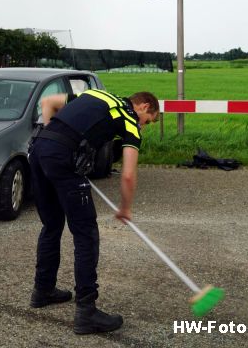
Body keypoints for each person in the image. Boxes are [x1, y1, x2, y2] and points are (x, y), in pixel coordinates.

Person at [28, 89, 159, 334]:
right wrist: (125, 208)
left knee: (52, 225)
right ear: (143, 107)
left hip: (39, 150)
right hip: (60, 159)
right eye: (148, 121)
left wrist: (52, 140)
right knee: (86, 234)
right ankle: (86, 312)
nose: (144, 127)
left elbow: (48, 102)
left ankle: (42, 290)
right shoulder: (129, 120)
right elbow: (128, 176)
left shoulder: (95, 94)